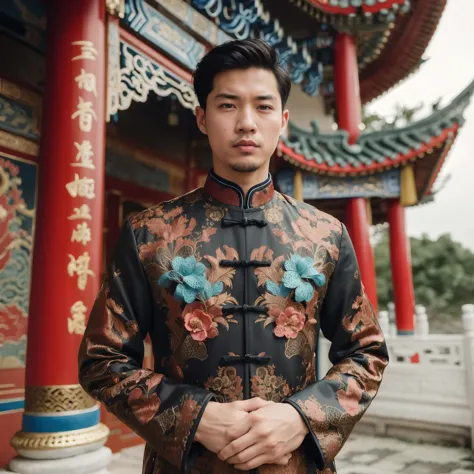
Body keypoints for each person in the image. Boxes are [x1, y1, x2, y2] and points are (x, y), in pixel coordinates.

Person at [79, 38, 389, 474]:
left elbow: (366, 352)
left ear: (282, 121)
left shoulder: (325, 234)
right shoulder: (149, 233)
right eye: (228, 106)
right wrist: (196, 416)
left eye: (262, 107)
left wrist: (301, 417)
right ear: (202, 119)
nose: (246, 123)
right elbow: (101, 360)